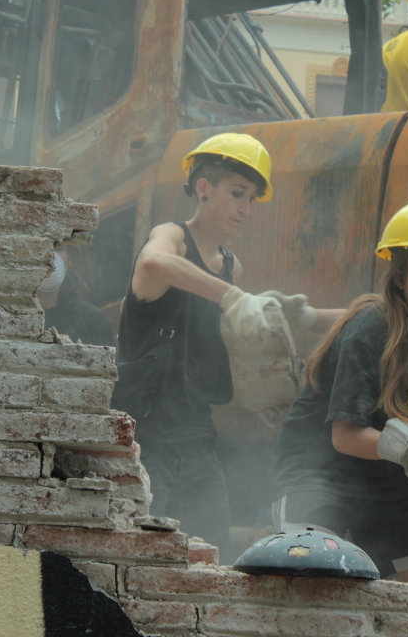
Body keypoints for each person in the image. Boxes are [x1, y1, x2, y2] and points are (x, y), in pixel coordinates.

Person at [271, 198, 408, 637]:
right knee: (315, 592)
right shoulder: (370, 328)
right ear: (400, 278)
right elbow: (346, 436)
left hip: (390, 482)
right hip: (319, 476)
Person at [114, 133, 293, 556]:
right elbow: (154, 261)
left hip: (196, 436)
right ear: (203, 187)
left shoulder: (232, 267)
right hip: (142, 435)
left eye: (251, 198)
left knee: (212, 553)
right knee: (139, 554)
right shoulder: (170, 237)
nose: (245, 208)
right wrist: (231, 296)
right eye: (237, 193)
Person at [38, 246, 116, 347]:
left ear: (69, 257)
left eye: (58, 249)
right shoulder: (18, 318)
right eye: (41, 247)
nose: (51, 258)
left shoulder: (94, 320)